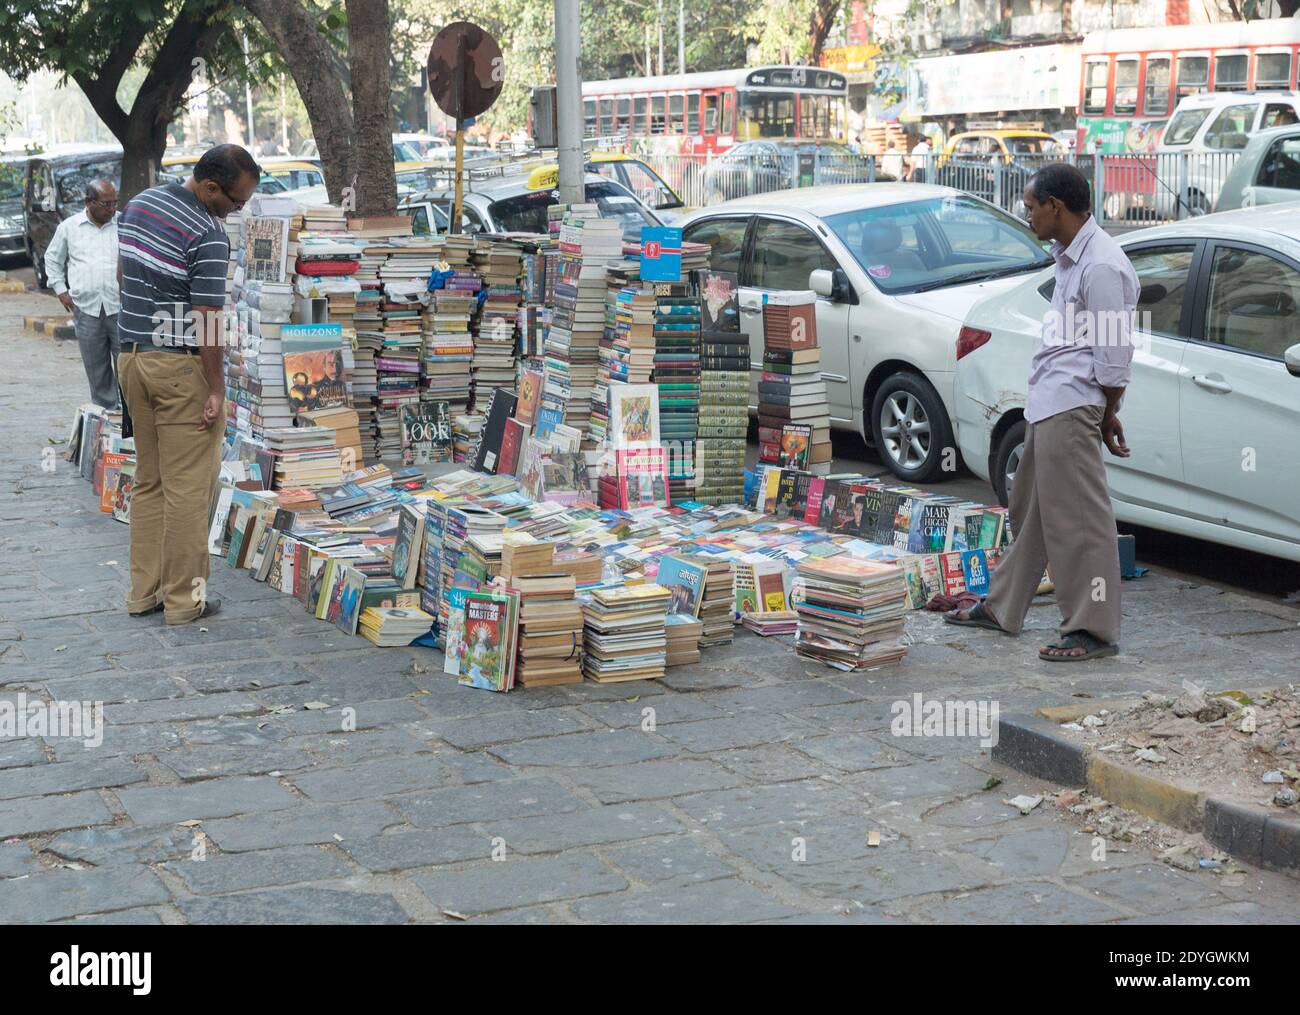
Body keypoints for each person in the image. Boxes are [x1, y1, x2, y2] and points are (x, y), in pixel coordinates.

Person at [945, 163, 1138, 661]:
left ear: (1055, 206)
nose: (1026, 215)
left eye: (1031, 207)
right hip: (1052, 403)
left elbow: (1114, 362)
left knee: (1079, 524)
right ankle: (1003, 606)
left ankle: (1092, 629)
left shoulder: (1101, 266)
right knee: (1031, 512)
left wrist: (1105, 412)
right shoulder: (1072, 259)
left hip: (1072, 406)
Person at [116, 144, 261, 625]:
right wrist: (216, 389)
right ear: (210, 187)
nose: (237, 211)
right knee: (189, 491)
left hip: (132, 359)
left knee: (150, 481)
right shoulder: (208, 232)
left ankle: (143, 594)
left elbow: (123, 274)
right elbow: (208, 320)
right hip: (178, 370)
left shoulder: (141, 204)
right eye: (235, 202)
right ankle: (184, 601)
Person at [44, 179, 121, 408]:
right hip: (86, 308)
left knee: (128, 367)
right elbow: (52, 258)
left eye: (115, 203)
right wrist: (61, 291)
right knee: (97, 370)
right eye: (106, 204)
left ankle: (131, 419)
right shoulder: (69, 227)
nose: (112, 209)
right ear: (88, 202)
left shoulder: (124, 223)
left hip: (120, 307)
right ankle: (106, 416)